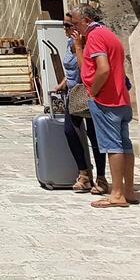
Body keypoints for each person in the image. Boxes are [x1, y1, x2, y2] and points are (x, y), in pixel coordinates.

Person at [73, 4, 136, 208]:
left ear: (86, 20)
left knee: (113, 146)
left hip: (106, 100)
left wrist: (96, 91)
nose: (75, 28)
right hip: (121, 99)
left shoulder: (96, 37)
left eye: (76, 23)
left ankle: (117, 194)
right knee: (125, 145)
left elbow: (103, 69)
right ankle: (128, 190)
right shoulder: (109, 35)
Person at [56, 14, 107, 194]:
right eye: (64, 25)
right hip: (73, 93)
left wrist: (79, 46)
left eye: (69, 25)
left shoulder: (89, 42)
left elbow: (85, 68)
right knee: (70, 132)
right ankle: (84, 173)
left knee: (94, 135)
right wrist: (64, 82)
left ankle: (101, 176)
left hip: (89, 93)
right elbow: (71, 68)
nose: (65, 29)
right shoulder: (70, 44)